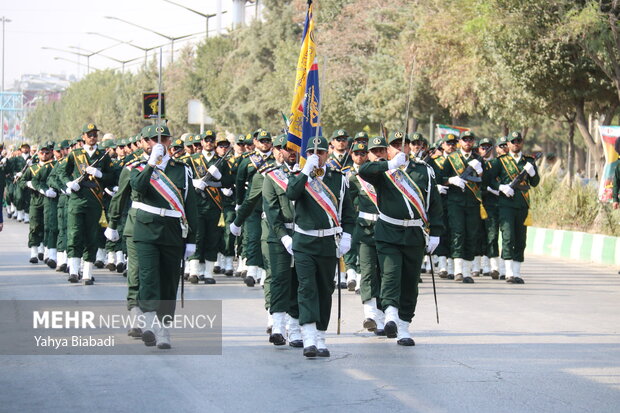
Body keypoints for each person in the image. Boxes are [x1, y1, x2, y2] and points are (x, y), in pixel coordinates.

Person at [359, 131, 443, 346]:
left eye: (403, 145)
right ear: (389, 149)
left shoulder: (424, 170)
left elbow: (434, 203)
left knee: (410, 280)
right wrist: (389, 164)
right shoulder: (383, 169)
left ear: (410, 148)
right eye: (395, 145)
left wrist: (435, 233)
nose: (400, 148)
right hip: (388, 231)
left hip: (415, 233)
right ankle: (390, 316)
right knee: (390, 274)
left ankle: (404, 326)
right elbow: (363, 170)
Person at [125, 124, 198, 348]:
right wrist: (150, 164)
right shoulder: (137, 167)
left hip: (172, 230)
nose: (158, 144)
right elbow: (137, 189)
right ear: (144, 144)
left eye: (163, 140)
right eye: (151, 140)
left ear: (169, 142)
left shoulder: (182, 169)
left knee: (168, 282)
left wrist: (192, 239)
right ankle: (148, 325)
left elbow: (191, 205)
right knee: (148, 278)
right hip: (145, 229)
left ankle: (164, 329)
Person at [286, 136, 355, 357]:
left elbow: (348, 214)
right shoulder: (299, 177)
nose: (317, 156)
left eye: (322, 152)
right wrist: (306, 170)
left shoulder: (339, 179)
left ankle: (321, 336)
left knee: (325, 289)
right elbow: (291, 194)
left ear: (329, 153)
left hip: (328, 242)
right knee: (307, 288)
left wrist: (347, 237)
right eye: (312, 153)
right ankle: (308, 338)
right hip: (304, 241)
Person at [58, 123, 114, 285]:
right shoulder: (74, 154)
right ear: (83, 136)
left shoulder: (103, 155)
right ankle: (74, 271)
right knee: (75, 235)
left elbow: (111, 177)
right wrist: (69, 184)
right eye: (89, 134)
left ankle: (87, 273)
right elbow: (62, 173)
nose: (92, 137)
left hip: (95, 201)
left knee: (92, 236)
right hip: (76, 200)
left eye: (94, 135)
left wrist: (99, 173)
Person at [486, 131, 540, 284]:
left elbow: (535, 183)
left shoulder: (528, 161)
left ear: (521, 143)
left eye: (518, 141)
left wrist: (533, 172)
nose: (516, 143)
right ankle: (509, 272)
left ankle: (517, 272)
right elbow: (488, 181)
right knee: (508, 237)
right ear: (508, 144)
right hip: (506, 204)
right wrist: (501, 187)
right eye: (513, 141)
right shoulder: (500, 162)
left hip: (522, 203)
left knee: (521, 239)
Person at [349, 137, 387, 334]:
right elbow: (346, 205)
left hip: (387, 229)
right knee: (368, 271)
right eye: (375, 150)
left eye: (382, 150)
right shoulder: (353, 178)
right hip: (365, 229)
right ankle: (370, 315)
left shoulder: (390, 174)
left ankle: (384, 315)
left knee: (384, 272)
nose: (378, 154)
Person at [439, 131, 485, 283]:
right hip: (455, 202)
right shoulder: (452, 159)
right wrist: (451, 180)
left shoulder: (478, 159)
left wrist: (480, 171)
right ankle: (458, 270)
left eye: (470, 140)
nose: (467, 142)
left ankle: (467, 271)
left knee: (471, 234)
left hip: (472, 203)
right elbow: (440, 179)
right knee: (457, 233)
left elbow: (485, 182)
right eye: (465, 140)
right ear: (460, 141)